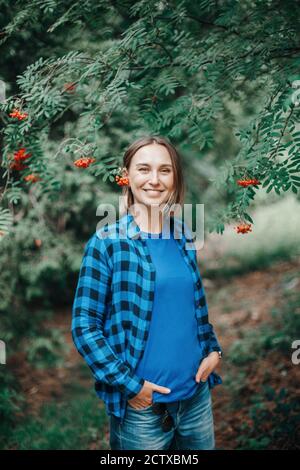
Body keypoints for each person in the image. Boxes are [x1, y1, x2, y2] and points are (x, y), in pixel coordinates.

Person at [71, 135, 223, 450]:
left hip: (195, 399)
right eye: (144, 169)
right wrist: (132, 387)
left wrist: (213, 351)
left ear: (175, 178)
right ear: (128, 175)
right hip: (142, 411)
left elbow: (193, 308)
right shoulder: (107, 242)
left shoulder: (183, 235)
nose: (154, 179)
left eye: (164, 170)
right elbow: (84, 327)